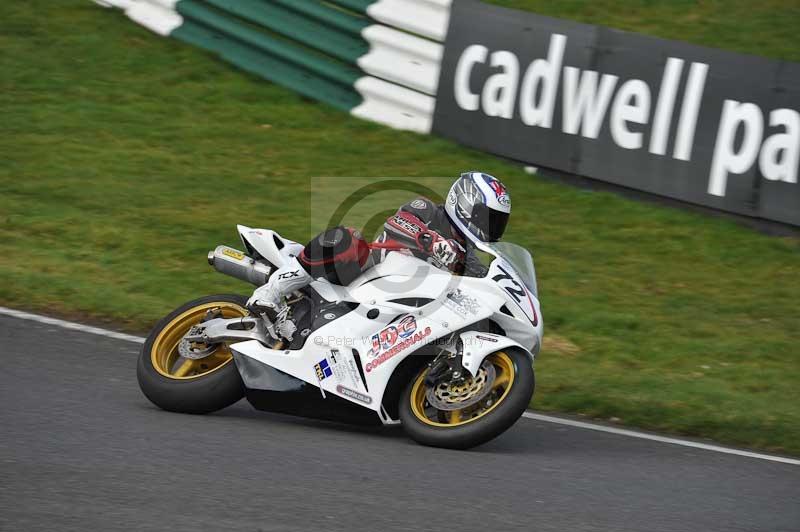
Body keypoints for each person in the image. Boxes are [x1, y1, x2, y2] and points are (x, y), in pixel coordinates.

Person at [247, 171, 512, 340]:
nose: (491, 227)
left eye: (497, 222)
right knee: (348, 238)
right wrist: (430, 240)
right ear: (464, 204)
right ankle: (270, 292)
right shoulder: (428, 210)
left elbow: (481, 282)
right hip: (366, 274)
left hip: (406, 307)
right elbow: (399, 222)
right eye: (488, 218)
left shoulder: (470, 257)